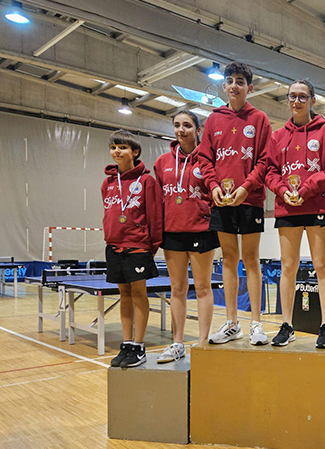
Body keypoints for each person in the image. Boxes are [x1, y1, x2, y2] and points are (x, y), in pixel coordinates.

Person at [197, 61, 275, 346]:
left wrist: (246, 187)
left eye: (240, 81)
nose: (233, 85)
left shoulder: (260, 119)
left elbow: (266, 160)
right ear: (224, 86)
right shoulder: (213, 120)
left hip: (250, 199)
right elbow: (204, 159)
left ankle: (256, 323)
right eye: (229, 80)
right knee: (228, 260)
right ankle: (232, 323)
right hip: (222, 201)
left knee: (251, 260)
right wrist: (214, 186)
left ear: (249, 87)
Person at [265, 80, 325, 348]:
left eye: (302, 96)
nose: (296, 101)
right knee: (288, 266)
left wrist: (308, 188)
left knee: (321, 265)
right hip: (287, 206)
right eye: (292, 96)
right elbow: (270, 171)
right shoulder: (277, 136)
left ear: (312, 99)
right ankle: (287, 325)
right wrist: (283, 190)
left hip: (317, 206)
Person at [153, 111, 219, 361]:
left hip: (202, 230)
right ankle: (177, 342)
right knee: (177, 288)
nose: (181, 130)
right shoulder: (162, 162)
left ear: (198, 130)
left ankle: (202, 343)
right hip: (172, 231)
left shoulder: (207, 159)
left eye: (187, 125)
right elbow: (158, 198)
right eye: (177, 125)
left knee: (202, 288)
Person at [102, 130, 162, 368]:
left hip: (138, 247)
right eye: (114, 147)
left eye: (122, 147)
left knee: (138, 294)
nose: (117, 151)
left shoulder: (147, 181)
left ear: (134, 152)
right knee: (124, 295)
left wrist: (151, 246)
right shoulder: (107, 183)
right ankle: (127, 342)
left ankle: (138, 345)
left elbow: (156, 217)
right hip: (114, 247)